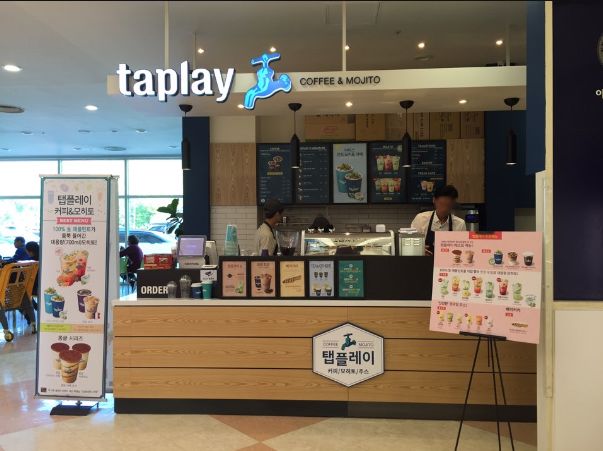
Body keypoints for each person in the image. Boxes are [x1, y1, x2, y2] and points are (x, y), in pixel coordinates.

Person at [410, 184, 466, 255]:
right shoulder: (421, 219)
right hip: (425, 260)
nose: (444, 209)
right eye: (441, 204)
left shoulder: (459, 224)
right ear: (434, 200)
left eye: (448, 205)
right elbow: (411, 244)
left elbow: (462, 250)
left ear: (453, 204)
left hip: (448, 261)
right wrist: (419, 250)